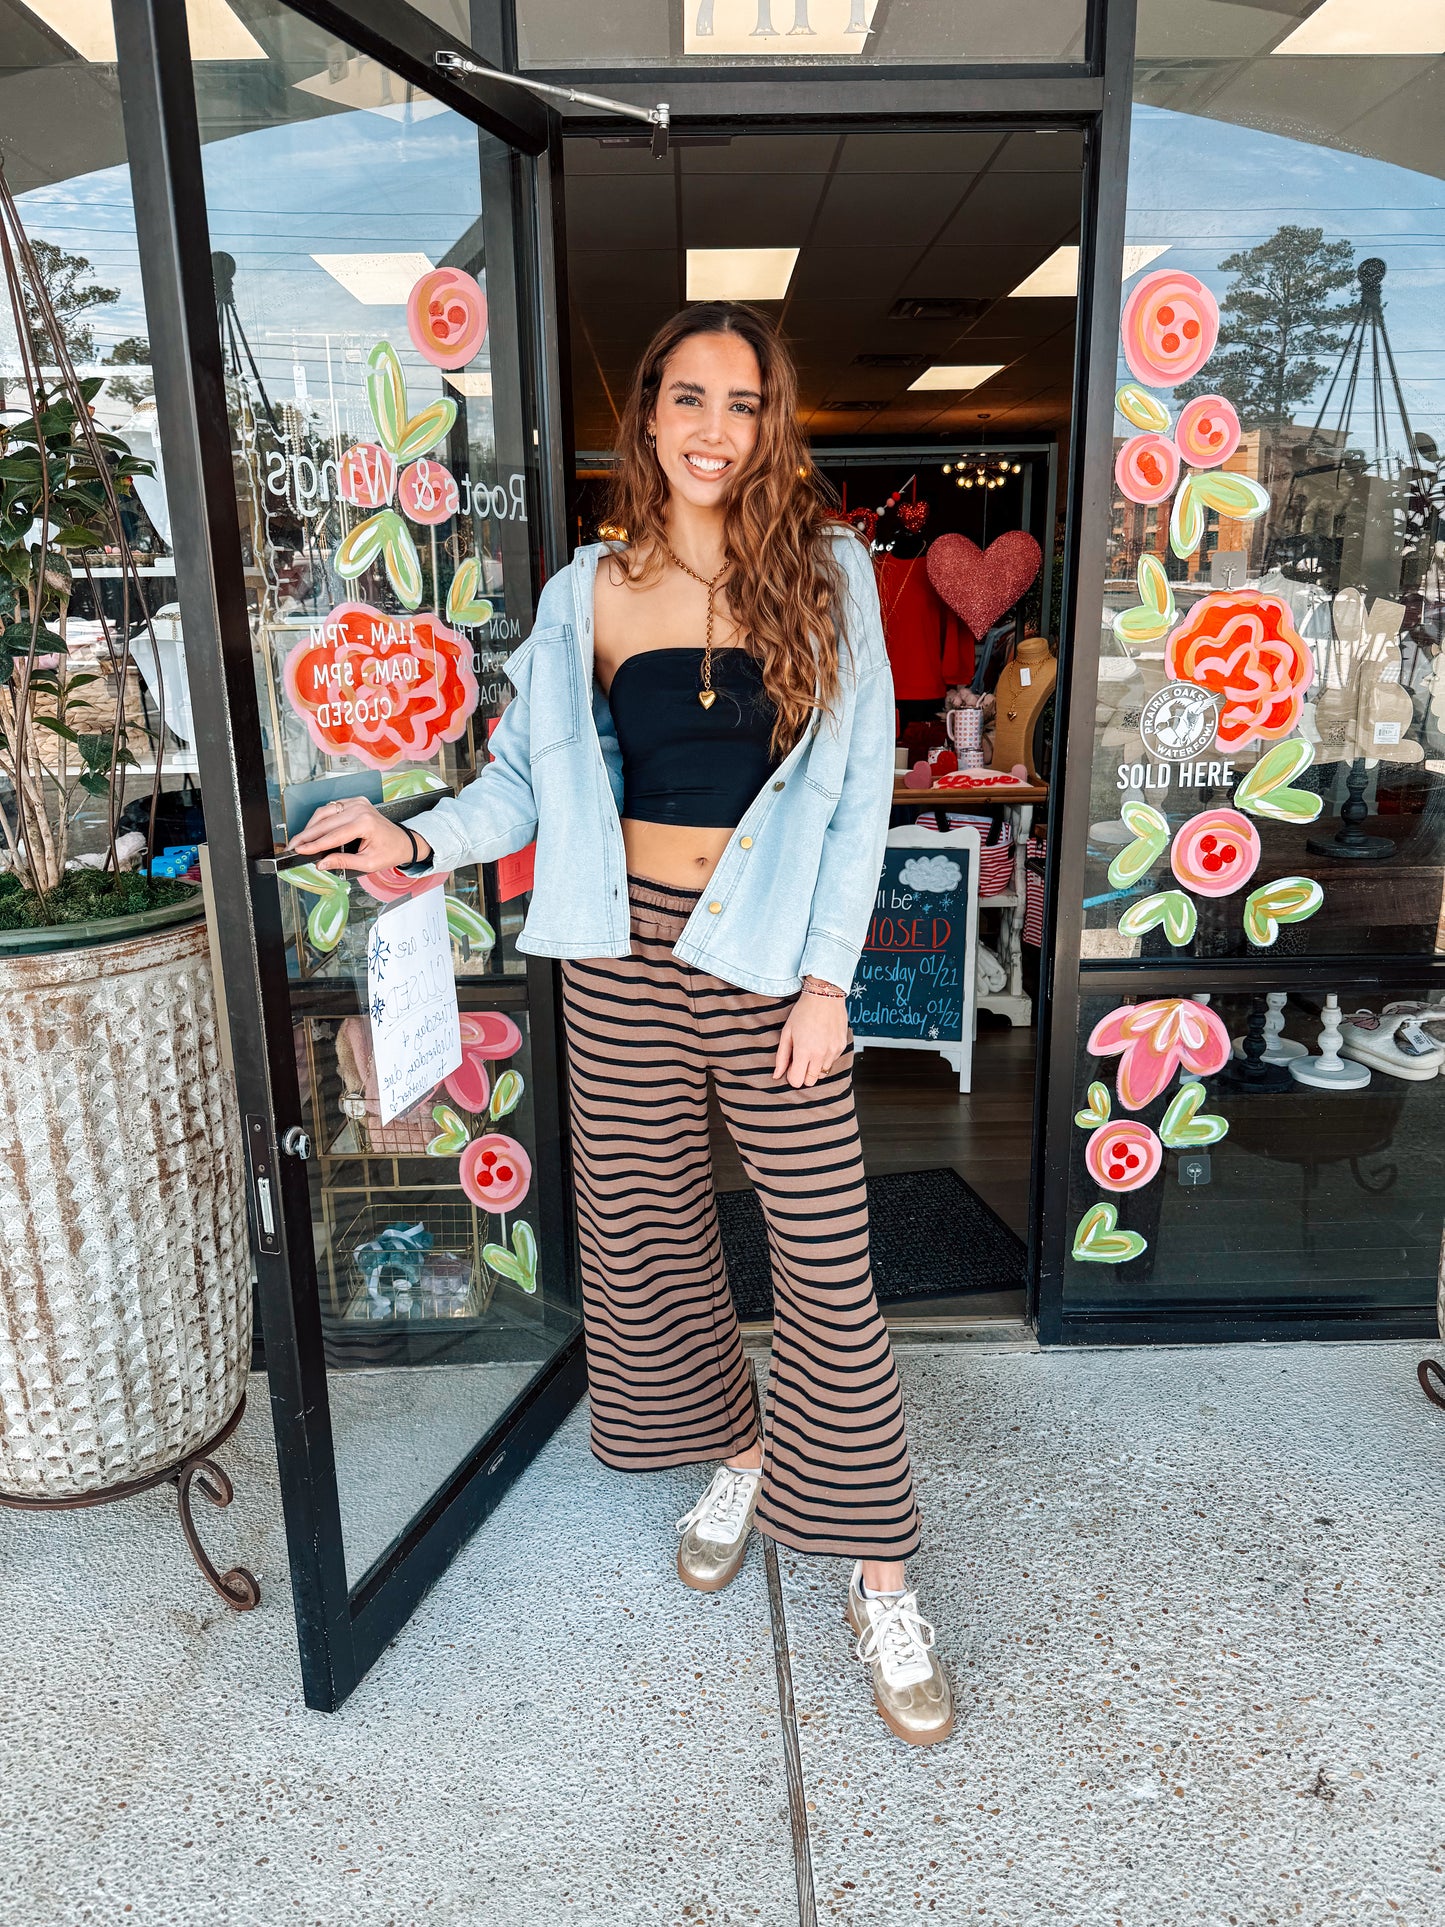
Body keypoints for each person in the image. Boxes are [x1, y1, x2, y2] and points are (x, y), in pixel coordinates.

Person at [290, 301, 953, 1746]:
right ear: (646, 416)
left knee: (826, 1261)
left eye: (746, 402)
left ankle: (878, 1570)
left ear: (773, 424)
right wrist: (409, 837)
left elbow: (855, 806)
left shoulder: (830, 571)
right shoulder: (586, 589)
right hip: (620, 954)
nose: (717, 428)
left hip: (771, 958)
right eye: (690, 399)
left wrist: (832, 985)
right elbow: (528, 790)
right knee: (647, 1233)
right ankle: (740, 1449)